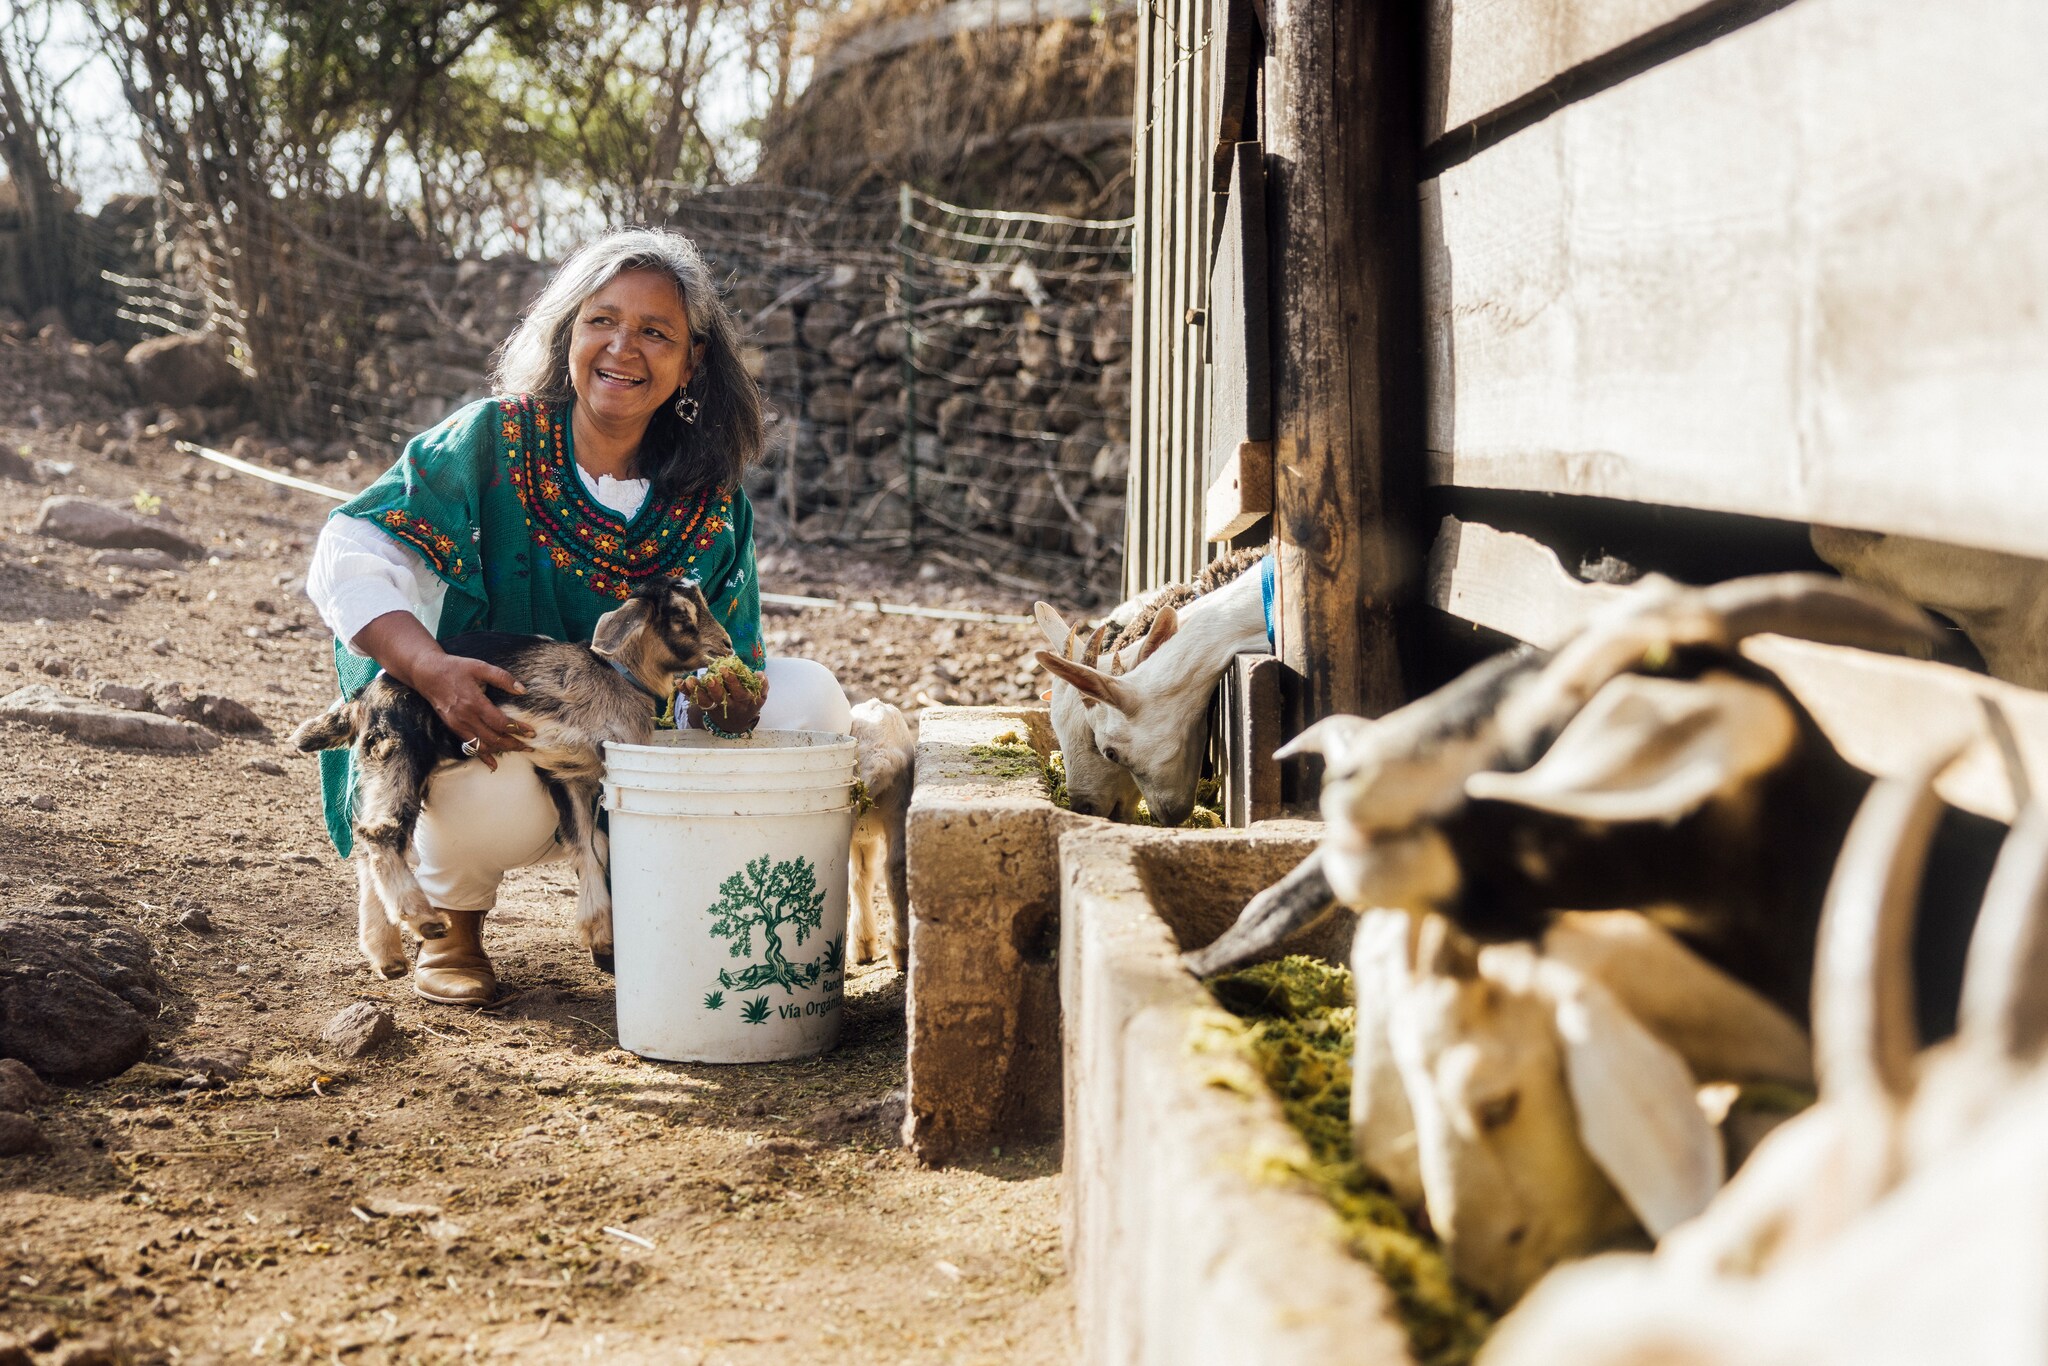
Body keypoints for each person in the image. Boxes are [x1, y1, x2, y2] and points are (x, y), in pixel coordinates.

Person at [305, 227, 851, 1006]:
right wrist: (432, 671)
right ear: (568, 330)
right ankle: (453, 922)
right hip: (502, 733)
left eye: (655, 331)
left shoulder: (710, 501)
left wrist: (733, 691)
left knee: (814, 701)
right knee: (485, 771)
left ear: (692, 361)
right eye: (602, 320)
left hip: (631, 740)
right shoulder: (490, 442)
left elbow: (735, 649)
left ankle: (687, 913)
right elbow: (351, 551)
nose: (623, 347)